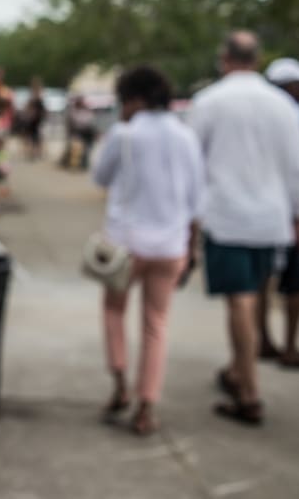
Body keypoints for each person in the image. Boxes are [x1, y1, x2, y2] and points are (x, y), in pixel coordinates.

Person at [189, 32, 299, 426]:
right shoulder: (282, 106)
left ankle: (249, 390)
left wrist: (189, 221)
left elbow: (193, 166)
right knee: (255, 291)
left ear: (224, 59)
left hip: (228, 218)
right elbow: (297, 166)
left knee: (240, 300)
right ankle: (241, 369)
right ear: (256, 60)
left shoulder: (209, 102)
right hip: (271, 218)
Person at [94, 66, 203, 436]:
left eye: (123, 101)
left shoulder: (123, 135)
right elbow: (196, 198)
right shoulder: (186, 136)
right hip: (171, 244)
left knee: (113, 312)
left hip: (126, 243)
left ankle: (120, 383)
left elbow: (100, 178)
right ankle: (147, 406)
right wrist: (193, 243)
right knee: (156, 324)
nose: (121, 108)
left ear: (136, 99)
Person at [258, 57, 299, 367]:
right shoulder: (295, 117)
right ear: (291, 86)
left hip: (263, 209)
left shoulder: (259, 115)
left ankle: (264, 340)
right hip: (293, 210)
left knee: (262, 280)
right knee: (297, 280)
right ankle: (290, 346)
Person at [21, 80, 47, 160]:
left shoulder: (37, 98)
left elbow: (42, 110)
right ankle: (33, 152)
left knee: (36, 137)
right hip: (33, 120)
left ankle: (35, 152)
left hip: (36, 120)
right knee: (33, 137)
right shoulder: (35, 98)